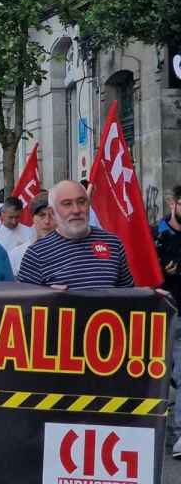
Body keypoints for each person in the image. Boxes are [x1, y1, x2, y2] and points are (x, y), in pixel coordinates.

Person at [18, 180, 133, 289]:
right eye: (67, 204)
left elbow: (129, 296)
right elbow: (22, 303)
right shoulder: (36, 253)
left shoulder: (113, 244)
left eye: (82, 202)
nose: (76, 210)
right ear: (53, 212)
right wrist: (46, 296)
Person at [153, 185, 181, 458]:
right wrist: (161, 272)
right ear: (173, 204)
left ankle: (179, 433)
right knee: (163, 375)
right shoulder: (155, 234)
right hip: (159, 317)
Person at [8, 193, 57, 276]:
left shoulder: (69, 252)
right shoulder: (17, 254)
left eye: (52, 215)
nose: (47, 221)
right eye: (42, 215)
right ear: (33, 218)